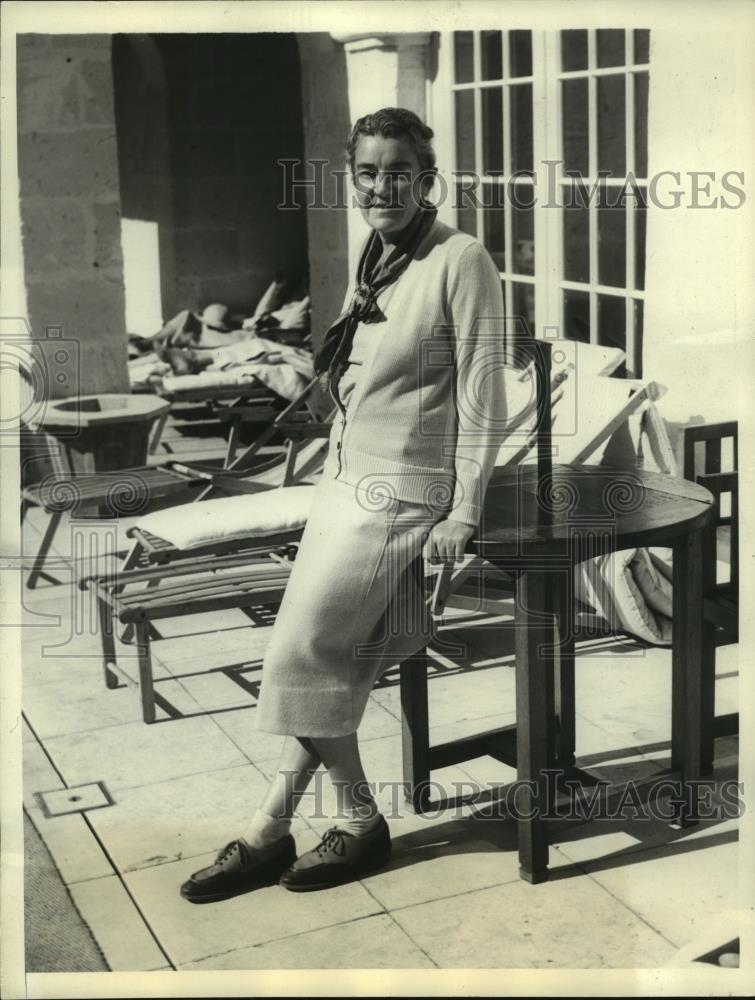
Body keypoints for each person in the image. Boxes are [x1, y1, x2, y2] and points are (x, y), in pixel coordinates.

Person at [180, 107, 507, 903]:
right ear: (352, 179)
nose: (382, 185)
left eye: (399, 171)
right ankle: (270, 825)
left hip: (404, 491)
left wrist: (464, 510)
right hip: (347, 480)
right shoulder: (377, 253)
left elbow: (483, 393)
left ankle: (359, 824)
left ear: (425, 180)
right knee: (335, 662)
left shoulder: (459, 258)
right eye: (367, 172)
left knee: (296, 653)